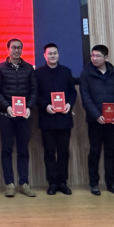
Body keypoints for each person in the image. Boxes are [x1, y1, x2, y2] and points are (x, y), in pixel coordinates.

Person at [0, 38, 37, 197]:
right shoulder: (0, 68)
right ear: (8, 49)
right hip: (6, 116)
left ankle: (24, 183)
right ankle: (9, 184)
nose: (17, 50)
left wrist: (29, 107)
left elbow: (34, 90)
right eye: (14, 48)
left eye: (19, 48)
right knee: (7, 149)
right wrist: (7, 107)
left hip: (24, 116)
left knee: (23, 150)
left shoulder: (29, 68)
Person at [79, 44, 114, 196]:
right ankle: (94, 183)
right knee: (95, 151)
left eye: (98, 56)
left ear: (106, 57)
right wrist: (96, 115)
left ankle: (111, 183)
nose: (94, 58)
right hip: (95, 120)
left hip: (113, 120)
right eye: (92, 55)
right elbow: (85, 97)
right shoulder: (86, 74)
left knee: (111, 151)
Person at [35, 43, 77, 196]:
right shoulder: (38, 73)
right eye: (49, 53)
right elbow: (36, 94)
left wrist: (69, 104)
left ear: (58, 55)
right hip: (47, 119)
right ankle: (52, 182)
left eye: (55, 53)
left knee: (64, 152)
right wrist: (45, 106)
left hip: (64, 119)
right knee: (49, 152)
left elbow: (72, 92)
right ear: (44, 55)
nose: (52, 56)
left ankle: (62, 182)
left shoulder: (66, 71)